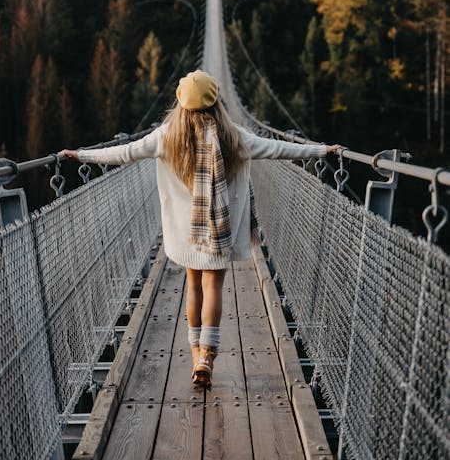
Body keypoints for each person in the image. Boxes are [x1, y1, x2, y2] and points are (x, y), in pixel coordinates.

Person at [59, 69, 341, 387]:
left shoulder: (167, 136)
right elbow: (277, 149)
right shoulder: (234, 136)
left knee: (192, 288)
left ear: (180, 102)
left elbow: (124, 153)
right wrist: (321, 150)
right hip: (220, 229)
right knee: (214, 288)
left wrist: (81, 154)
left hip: (185, 232)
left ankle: (195, 354)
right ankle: (207, 355)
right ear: (216, 100)